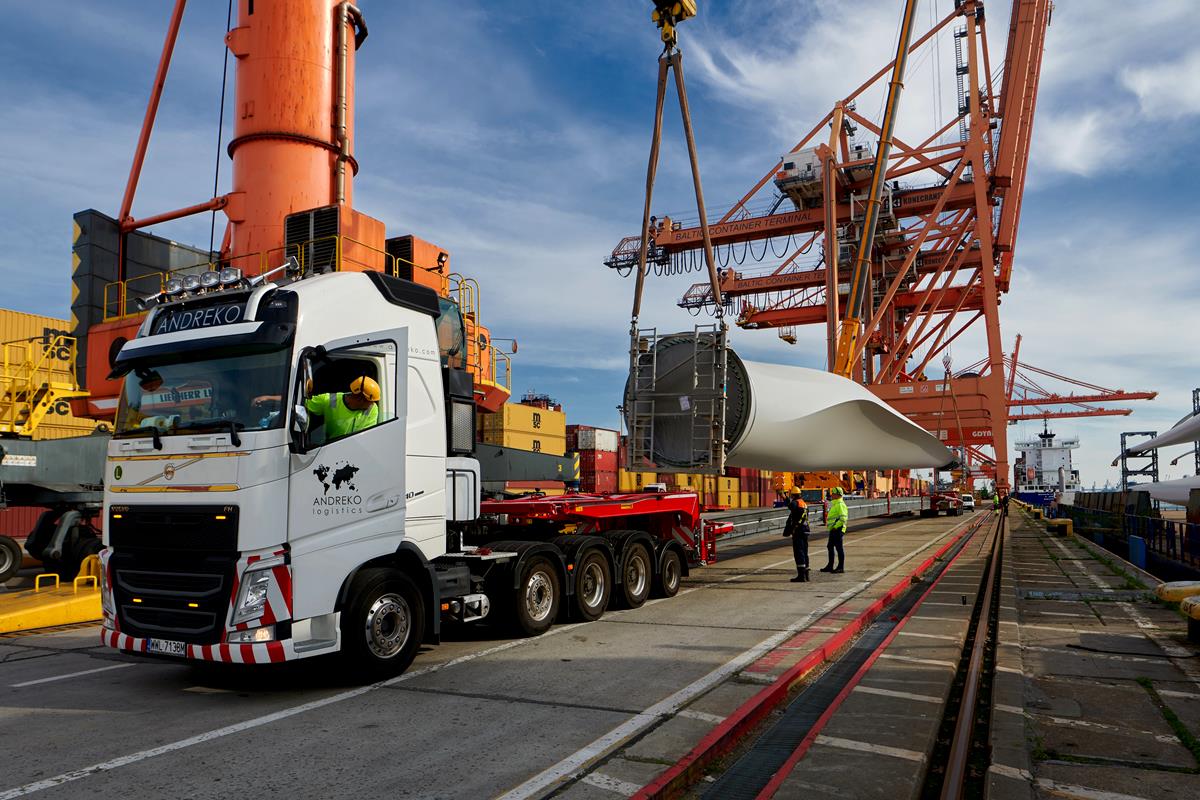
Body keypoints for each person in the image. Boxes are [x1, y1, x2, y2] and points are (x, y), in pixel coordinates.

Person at [305, 375, 381, 440]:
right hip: (329, 448)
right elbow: (305, 402)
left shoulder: (372, 409)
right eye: (371, 402)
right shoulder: (330, 400)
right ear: (360, 399)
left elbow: (368, 437)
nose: (373, 404)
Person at [782, 487, 811, 583]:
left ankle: (801, 576)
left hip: (799, 530)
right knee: (805, 551)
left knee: (799, 552)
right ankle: (806, 574)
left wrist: (784, 497)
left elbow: (790, 506)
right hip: (805, 530)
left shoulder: (795, 503)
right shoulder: (804, 503)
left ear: (793, 495)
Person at [820, 486, 849, 574]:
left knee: (839, 548)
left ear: (837, 495)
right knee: (830, 546)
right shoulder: (836, 504)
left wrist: (836, 527)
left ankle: (840, 567)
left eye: (833, 493)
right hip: (834, 529)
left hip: (838, 529)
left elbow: (843, 518)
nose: (831, 495)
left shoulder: (840, 504)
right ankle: (830, 565)